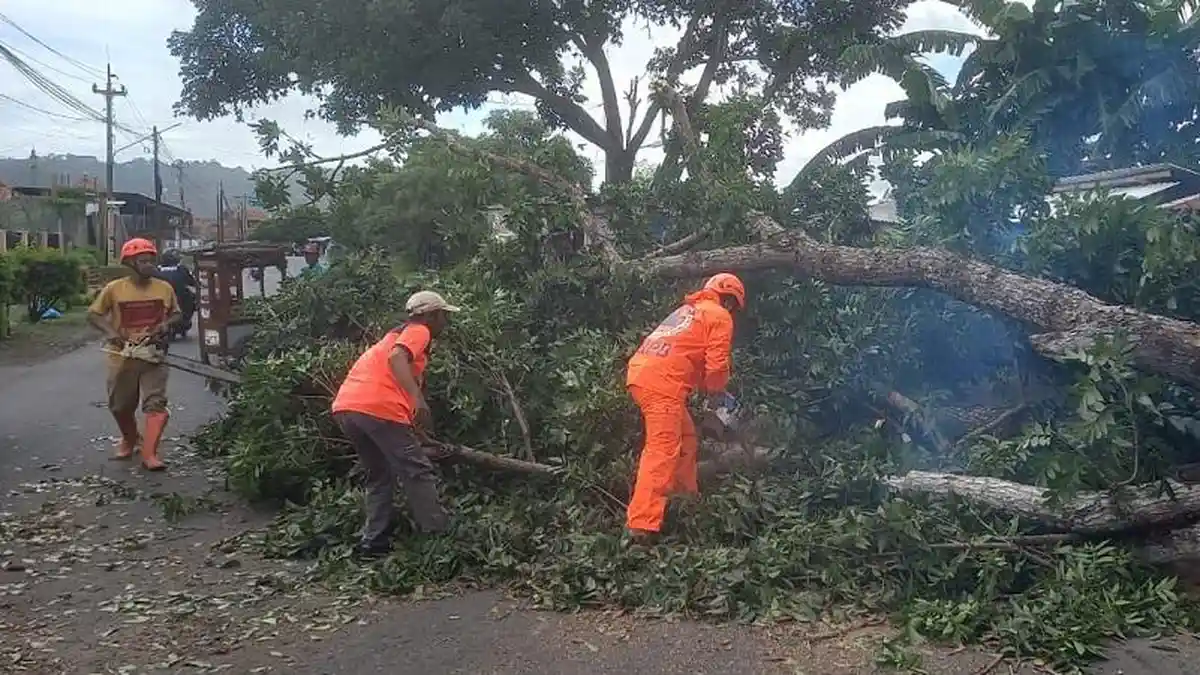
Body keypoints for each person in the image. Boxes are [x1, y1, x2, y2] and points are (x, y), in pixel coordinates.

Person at [330, 290, 461, 557]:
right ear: (431, 315)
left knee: (379, 474)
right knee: (418, 470)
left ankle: (372, 543)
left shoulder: (392, 336)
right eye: (443, 316)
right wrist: (418, 399)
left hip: (348, 408)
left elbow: (394, 390)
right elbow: (396, 358)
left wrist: (421, 437)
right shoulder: (418, 330)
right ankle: (438, 538)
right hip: (378, 409)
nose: (445, 323)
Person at [624, 272, 746, 542]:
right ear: (730, 302)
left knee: (687, 437)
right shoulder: (719, 316)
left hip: (642, 374)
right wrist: (718, 395)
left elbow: (683, 350)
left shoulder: (689, 310)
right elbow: (716, 366)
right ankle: (641, 527)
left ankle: (685, 498)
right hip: (662, 384)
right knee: (662, 449)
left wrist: (707, 388)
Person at [87, 238, 181, 471]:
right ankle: (130, 439)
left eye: (151, 260)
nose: (149, 265)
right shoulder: (114, 289)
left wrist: (166, 325)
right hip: (123, 356)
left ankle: (150, 454)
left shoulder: (164, 288)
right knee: (120, 406)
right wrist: (111, 333)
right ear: (130, 263)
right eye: (143, 261)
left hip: (153, 355)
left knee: (155, 404)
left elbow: (176, 314)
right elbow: (94, 315)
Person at [154, 249, 197, 340]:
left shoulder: (157, 269)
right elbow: (191, 282)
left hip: (161, 298)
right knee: (192, 298)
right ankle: (185, 319)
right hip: (180, 297)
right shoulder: (181, 269)